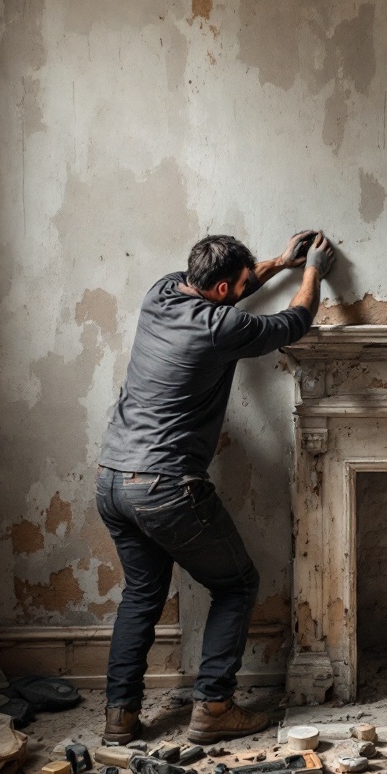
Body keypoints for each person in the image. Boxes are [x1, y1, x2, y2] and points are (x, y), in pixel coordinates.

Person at [96, 230, 334, 744]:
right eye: (245, 282)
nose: (252, 284)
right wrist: (312, 268)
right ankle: (215, 708)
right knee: (236, 584)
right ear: (225, 290)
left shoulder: (160, 292)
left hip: (113, 481)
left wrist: (276, 263)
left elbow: (234, 291)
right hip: (164, 487)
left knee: (141, 594)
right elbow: (294, 321)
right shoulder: (220, 329)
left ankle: (120, 717)